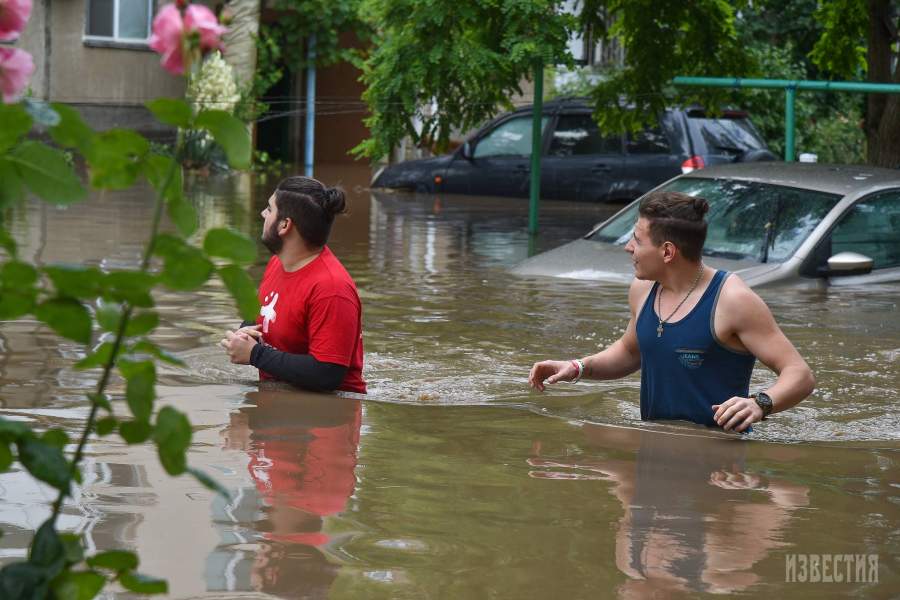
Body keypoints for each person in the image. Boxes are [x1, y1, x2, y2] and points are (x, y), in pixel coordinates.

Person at [528, 191, 815, 432]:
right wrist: (578, 367)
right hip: (653, 445)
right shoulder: (642, 290)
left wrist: (759, 403)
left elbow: (800, 374)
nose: (628, 248)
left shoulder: (734, 300)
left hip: (719, 462)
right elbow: (630, 352)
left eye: (637, 241)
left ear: (667, 252)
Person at [220, 176, 366, 394]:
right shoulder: (277, 263)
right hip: (276, 404)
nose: (263, 214)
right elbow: (263, 312)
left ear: (285, 225)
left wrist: (255, 355)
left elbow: (328, 374)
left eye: (269, 209)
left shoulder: (331, 289)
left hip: (330, 414)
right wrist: (245, 332)